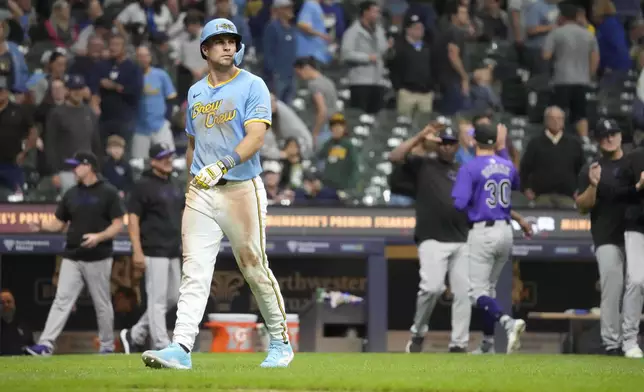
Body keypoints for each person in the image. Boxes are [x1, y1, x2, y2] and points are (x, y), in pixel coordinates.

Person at [140, 18, 293, 369]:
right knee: (194, 270)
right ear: (205, 49)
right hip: (202, 190)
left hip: (241, 187)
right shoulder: (195, 92)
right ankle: (180, 347)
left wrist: (222, 164)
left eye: (232, 41)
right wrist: (192, 180)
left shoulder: (252, 84)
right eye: (219, 41)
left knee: (254, 266)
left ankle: (280, 342)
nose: (228, 46)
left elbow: (256, 138)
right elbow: (193, 143)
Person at [25, 151, 125, 356]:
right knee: (61, 300)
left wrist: (99, 237)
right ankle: (45, 344)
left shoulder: (109, 192)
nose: (74, 169)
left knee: (102, 303)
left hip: (98, 256)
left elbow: (118, 225)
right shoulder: (71, 193)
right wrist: (41, 226)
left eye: (77, 165)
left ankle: (107, 345)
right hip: (72, 255)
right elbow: (59, 223)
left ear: (89, 166)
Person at [389, 124, 472, 353]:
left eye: (451, 143)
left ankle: (459, 344)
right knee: (432, 288)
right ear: (437, 144)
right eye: (442, 143)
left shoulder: (464, 169)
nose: (446, 147)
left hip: (462, 237)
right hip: (432, 237)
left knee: (464, 292)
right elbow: (395, 156)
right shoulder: (424, 164)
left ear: (456, 146)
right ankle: (417, 333)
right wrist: (419, 136)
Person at [451, 123, 532, 354]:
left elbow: (458, 203)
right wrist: (503, 149)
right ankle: (487, 345)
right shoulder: (506, 164)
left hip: (483, 231)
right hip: (506, 231)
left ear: (475, 141)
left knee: (476, 294)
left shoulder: (470, 167)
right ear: (495, 142)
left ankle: (508, 323)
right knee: (490, 290)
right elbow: (516, 184)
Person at [575, 119, 632, 356]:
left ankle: (630, 340)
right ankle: (611, 343)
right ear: (598, 140)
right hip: (607, 235)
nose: (609, 138)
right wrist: (593, 185)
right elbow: (582, 206)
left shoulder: (634, 162)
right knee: (612, 289)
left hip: (635, 233)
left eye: (613, 133)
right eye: (604, 135)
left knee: (635, 288)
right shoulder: (592, 168)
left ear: (620, 135)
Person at [120, 144, 184, 354]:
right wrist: (137, 250)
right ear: (153, 161)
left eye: (169, 156)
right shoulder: (142, 185)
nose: (168, 160)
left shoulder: (174, 183)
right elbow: (133, 220)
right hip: (153, 249)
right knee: (156, 300)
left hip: (173, 249)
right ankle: (161, 345)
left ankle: (136, 333)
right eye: (163, 157)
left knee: (173, 297)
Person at [543, 2, 599, 143]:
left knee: (558, 112)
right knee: (580, 114)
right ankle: (585, 139)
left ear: (562, 16)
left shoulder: (556, 33)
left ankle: (554, 140)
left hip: (562, 79)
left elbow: (546, 55)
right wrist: (589, 75)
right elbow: (595, 57)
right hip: (582, 80)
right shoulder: (588, 34)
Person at [132, 45, 177, 159]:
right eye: (139, 56)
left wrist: (167, 118)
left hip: (160, 125)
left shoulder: (160, 75)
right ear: (135, 58)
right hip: (139, 127)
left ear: (150, 57)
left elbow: (171, 98)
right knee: (138, 163)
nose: (142, 59)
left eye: (145, 56)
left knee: (168, 158)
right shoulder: (130, 75)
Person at [1, 289, 35, 356]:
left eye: (9, 302)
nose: (6, 305)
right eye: (2, 303)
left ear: (14, 304)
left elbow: (31, 348)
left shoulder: (24, 326)